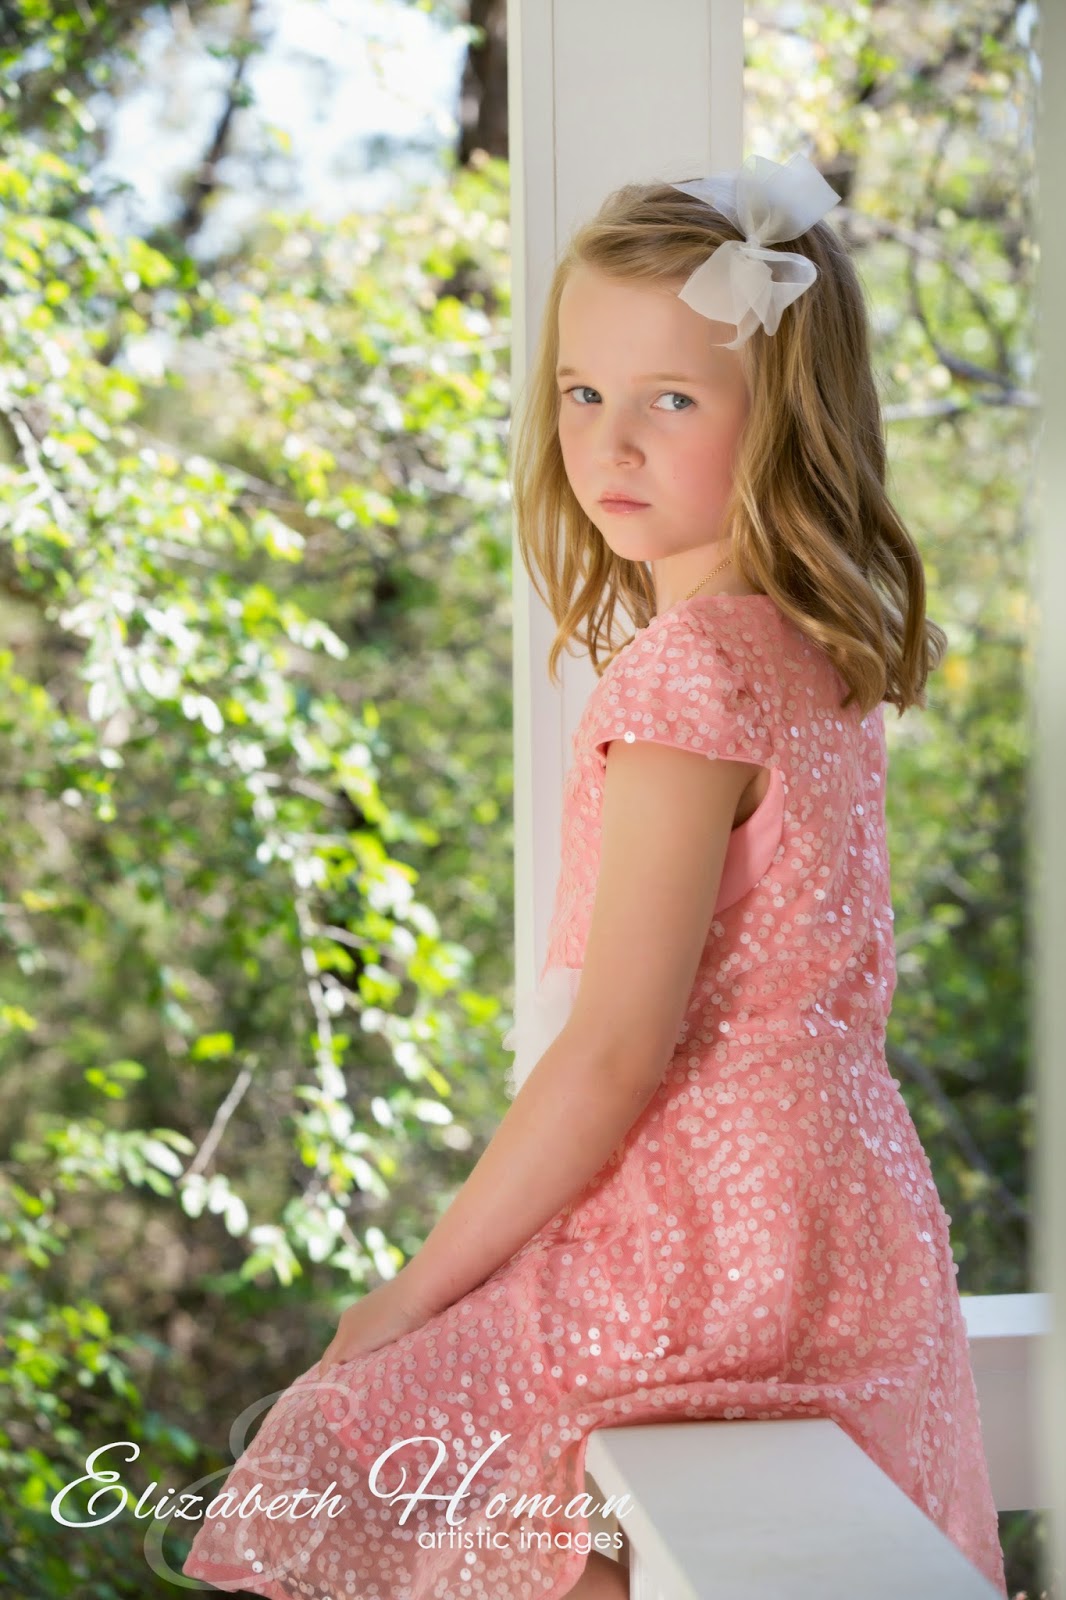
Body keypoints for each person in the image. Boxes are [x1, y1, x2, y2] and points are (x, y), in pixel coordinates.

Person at [180, 152, 1008, 1600]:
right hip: (848, 1208)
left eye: (669, 400)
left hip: (715, 1217)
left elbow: (617, 1047)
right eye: (580, 392)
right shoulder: (813, 657)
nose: (607, 442)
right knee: (598, 1532)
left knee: (353, 1439)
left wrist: (407, 1292)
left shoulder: (689, 671)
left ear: (781, 417)